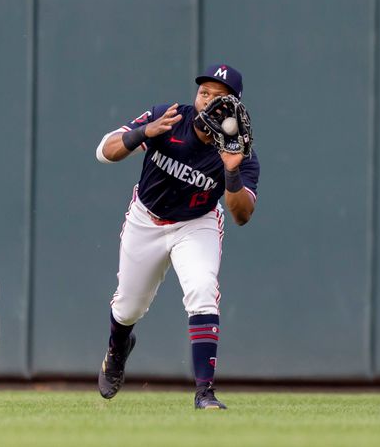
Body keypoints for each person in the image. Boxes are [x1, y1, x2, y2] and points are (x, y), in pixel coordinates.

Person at [94, 63, 260, 410]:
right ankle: (118, 347)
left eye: (218, 97)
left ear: (233, 107)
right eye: (203, 93)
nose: (207, 101)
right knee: (128, 307)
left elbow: (241, 214)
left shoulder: (239, 152)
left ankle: (205, 392)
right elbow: (104, 152)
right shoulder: (167, 117)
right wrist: (144, 133)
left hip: (196, 223)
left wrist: (231, 172)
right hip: (146, 219)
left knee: (202, 289)